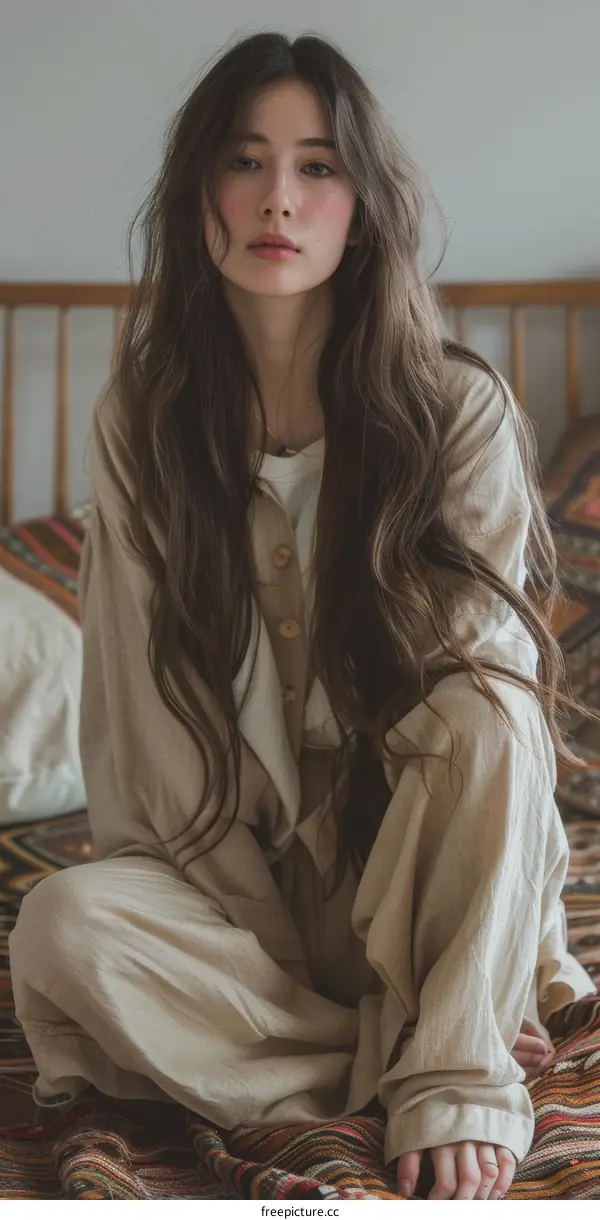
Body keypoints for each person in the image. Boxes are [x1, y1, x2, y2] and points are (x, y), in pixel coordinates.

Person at [9, 30, 597, 1202]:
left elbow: (487, 734)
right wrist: (250, 938)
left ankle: (453, 1053)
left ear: (363, 205)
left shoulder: (457, 409)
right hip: (237, 888)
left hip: (426, 865)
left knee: (491, 708)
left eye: (320, 166)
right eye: (247, 160)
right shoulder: (143, 418)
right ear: (199, 194)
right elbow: (136, 725)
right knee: (59, 927)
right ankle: (412, 1044)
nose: (279, 196)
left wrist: (494, 952)